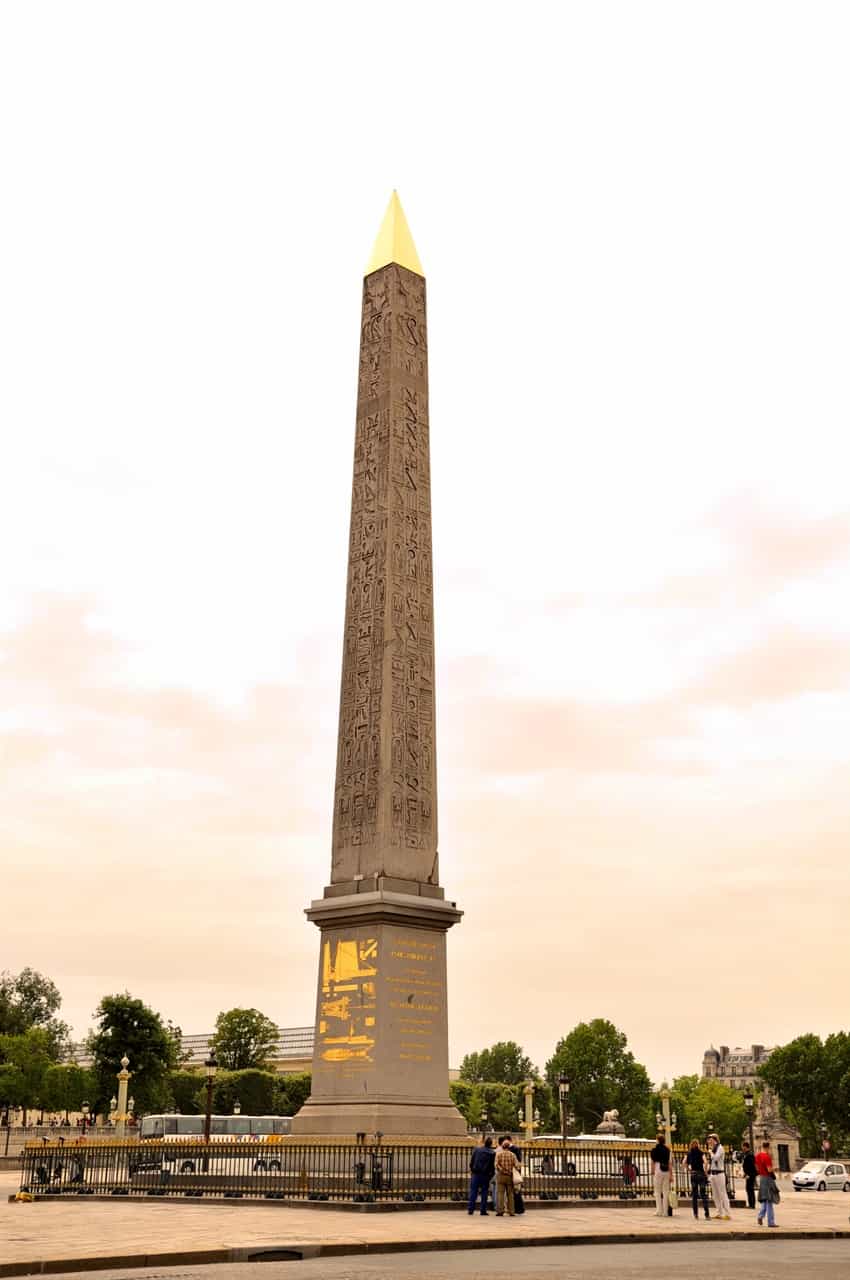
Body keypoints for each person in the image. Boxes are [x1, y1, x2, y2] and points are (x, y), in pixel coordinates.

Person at [468, 1135, 495, 1216]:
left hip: (476, 1173)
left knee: (473, 1192)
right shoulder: (492, 1153)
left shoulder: (477, 1150)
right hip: (485, 1174)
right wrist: (491, 1175)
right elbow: (492, 1166)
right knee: (484, 1193)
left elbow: (472, 1162)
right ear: (491, 1144)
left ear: (484, 1143)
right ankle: (483, 1210)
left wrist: (472, 1170)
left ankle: (471, 1209)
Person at [683, 1138, 710, 1220]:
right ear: (698, 1145)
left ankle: (695, 1214)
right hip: (701, 1174)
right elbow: (706, 1162)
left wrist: (689, 1169)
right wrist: (705, 1171)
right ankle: (707, 1214)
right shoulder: (701, 1153)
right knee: (703, 1194)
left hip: (693, 1174)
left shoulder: (689, 1153)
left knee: (694, 1195)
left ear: (691, 1145)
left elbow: (684, 1163)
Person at [707, 1133, 731, 1219]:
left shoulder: (720, 1148)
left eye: (710, 1139)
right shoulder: (713, 1149)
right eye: (708, 1139)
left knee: (722, 1193)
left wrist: (710, 1152)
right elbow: (712, 1163)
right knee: (715, 1195)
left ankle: (728, 1213)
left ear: (715, 1140)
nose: (709, 1141)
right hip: (713, 1173)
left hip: (719, 1173)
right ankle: (719, 1212)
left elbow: (716, 1158)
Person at [494, 1135, 519, 1216]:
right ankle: (511, 1211)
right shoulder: (512, 1155)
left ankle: (500, 1211)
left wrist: (501, 1170)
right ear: (508, 1146)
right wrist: (510, 1170)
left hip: (501, 1175)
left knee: (500, 1193)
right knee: (510, 1194)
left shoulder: (499, 1154)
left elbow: (496, 1165)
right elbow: (517, 1165)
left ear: (502, 1146)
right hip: (510, 1176)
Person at [755, 1140, 779, 1227]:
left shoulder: (757, 1156)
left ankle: (760, 1216)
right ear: (768, 1147)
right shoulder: (767, 1157)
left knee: (765, 1199)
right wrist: (775, 1168)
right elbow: (769, 1169)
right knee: (770, 1200)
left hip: (761, 1178)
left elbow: (757, 1167)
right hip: (767, 1178)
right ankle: (770, 1222)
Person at [650, 1132, 672, 1217]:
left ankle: (659, 1210)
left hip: (658, 1168)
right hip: (666, 1169)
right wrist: (671, 1174)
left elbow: (653, 1161)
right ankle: (665, 1212)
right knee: (666, 1191)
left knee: (657, 1191)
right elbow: (670, 1163)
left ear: (658, 1140)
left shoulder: (654, 1149)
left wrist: (652, 1171)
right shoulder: (667, 1150)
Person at [741, 1140, 758, 1209]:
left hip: (750, 1174)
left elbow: (751, 1166)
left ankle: (752, 1204)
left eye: (743, 1147)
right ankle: (751, 1204)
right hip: (749, 1174)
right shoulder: (748, 1154)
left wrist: (748, 1174)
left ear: (745, 1147)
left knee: (750, 1189)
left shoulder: (749, 1155)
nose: (742, 1149)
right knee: (749, 1189)